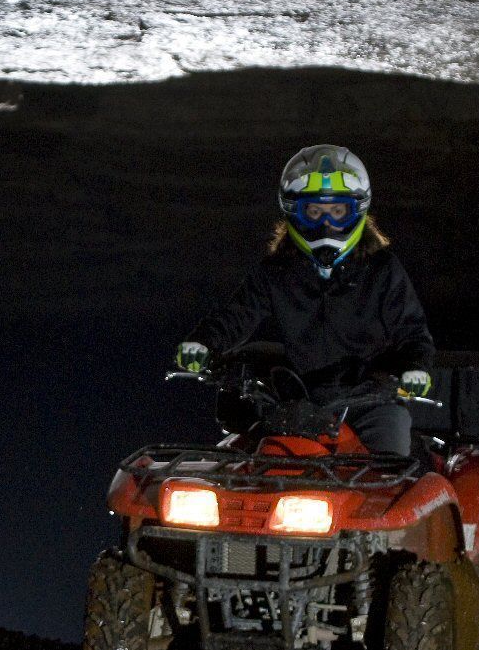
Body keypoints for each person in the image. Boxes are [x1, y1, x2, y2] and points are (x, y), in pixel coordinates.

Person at [176, 144, 434, 456]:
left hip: (370, 400)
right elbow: (237, 316)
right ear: (294, 213)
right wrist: (204, 343)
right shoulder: (276, 272)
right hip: (298, 402)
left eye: (338, 212)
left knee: (389, 473)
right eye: (314, 212)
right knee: (251, 461)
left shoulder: (382, 269)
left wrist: (416, 368)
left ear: (357, 212)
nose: (326, 224)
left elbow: (412, 332)